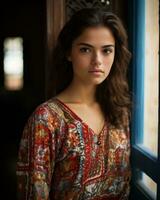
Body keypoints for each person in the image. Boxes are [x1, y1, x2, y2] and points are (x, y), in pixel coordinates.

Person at [16, 8, 132, 200]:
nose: (97, 61)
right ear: (69, 53)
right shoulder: (47, 119)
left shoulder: (119, 111)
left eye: (106, 50)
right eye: (85, 49)